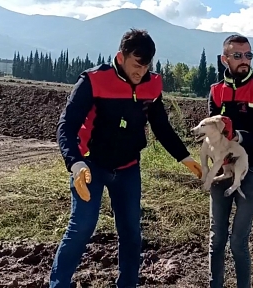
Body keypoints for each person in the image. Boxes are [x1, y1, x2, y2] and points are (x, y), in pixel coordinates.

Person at [51, 28, 202, 288]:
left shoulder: (152, 84)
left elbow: (161, 126)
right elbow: (66, 126)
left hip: (128, 168)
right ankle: (58, 284)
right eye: (136, 64)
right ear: (120, 57)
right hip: (91, 167)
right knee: (82, 228)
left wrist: (185, 157)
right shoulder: (92, 80)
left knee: (131, 232)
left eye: (146, 66)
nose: (141, 71)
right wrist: (75, 163)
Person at [207, 34, 253, 288]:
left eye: (248, 55)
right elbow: (211, 131)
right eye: (238, 56)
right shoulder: (216, 91)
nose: (244, 60)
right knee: (217, 238)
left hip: (251, 171)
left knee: (238, 241)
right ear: (225, 59)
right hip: (221, 169)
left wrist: (235, 135)